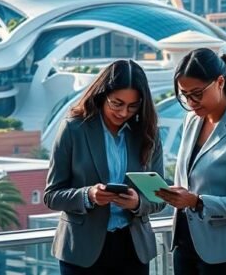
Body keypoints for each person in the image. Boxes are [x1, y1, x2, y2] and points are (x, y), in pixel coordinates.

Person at [44, 59, 165, 275]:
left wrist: (138, 202)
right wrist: (88, 195)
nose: (123, 112)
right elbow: (52, 195)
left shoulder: (148, 133)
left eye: (133, 106)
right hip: (82, 252)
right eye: (116, 103)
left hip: (132, 249)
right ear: (102, 95)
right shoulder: (74, 129)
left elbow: (159, 197)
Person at [157, 49, 226, 275]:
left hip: (225, 253)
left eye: (196, 94)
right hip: (185, 244)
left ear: (220, 82)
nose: (191, 102)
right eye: (185, 95)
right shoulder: (192, 119)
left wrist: (197, 202)